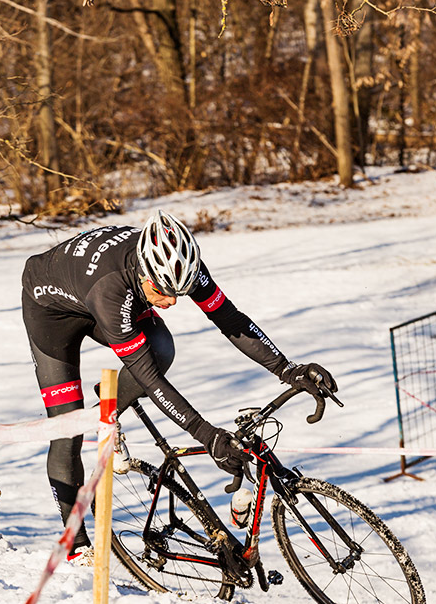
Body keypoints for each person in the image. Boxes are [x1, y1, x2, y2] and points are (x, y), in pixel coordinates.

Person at [21, 210, 336, 559]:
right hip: (52, 315)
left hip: (103, 291)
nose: (170, 302)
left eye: (179, 293)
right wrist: (207, 435)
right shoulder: (112, 290)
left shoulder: (181, 262)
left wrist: (287, 368)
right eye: (162, 291)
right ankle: (76, 547)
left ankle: (108, 410)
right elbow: (149, 379)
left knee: (162, 349)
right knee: (68, 430)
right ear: (143, 271)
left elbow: (229, 318)